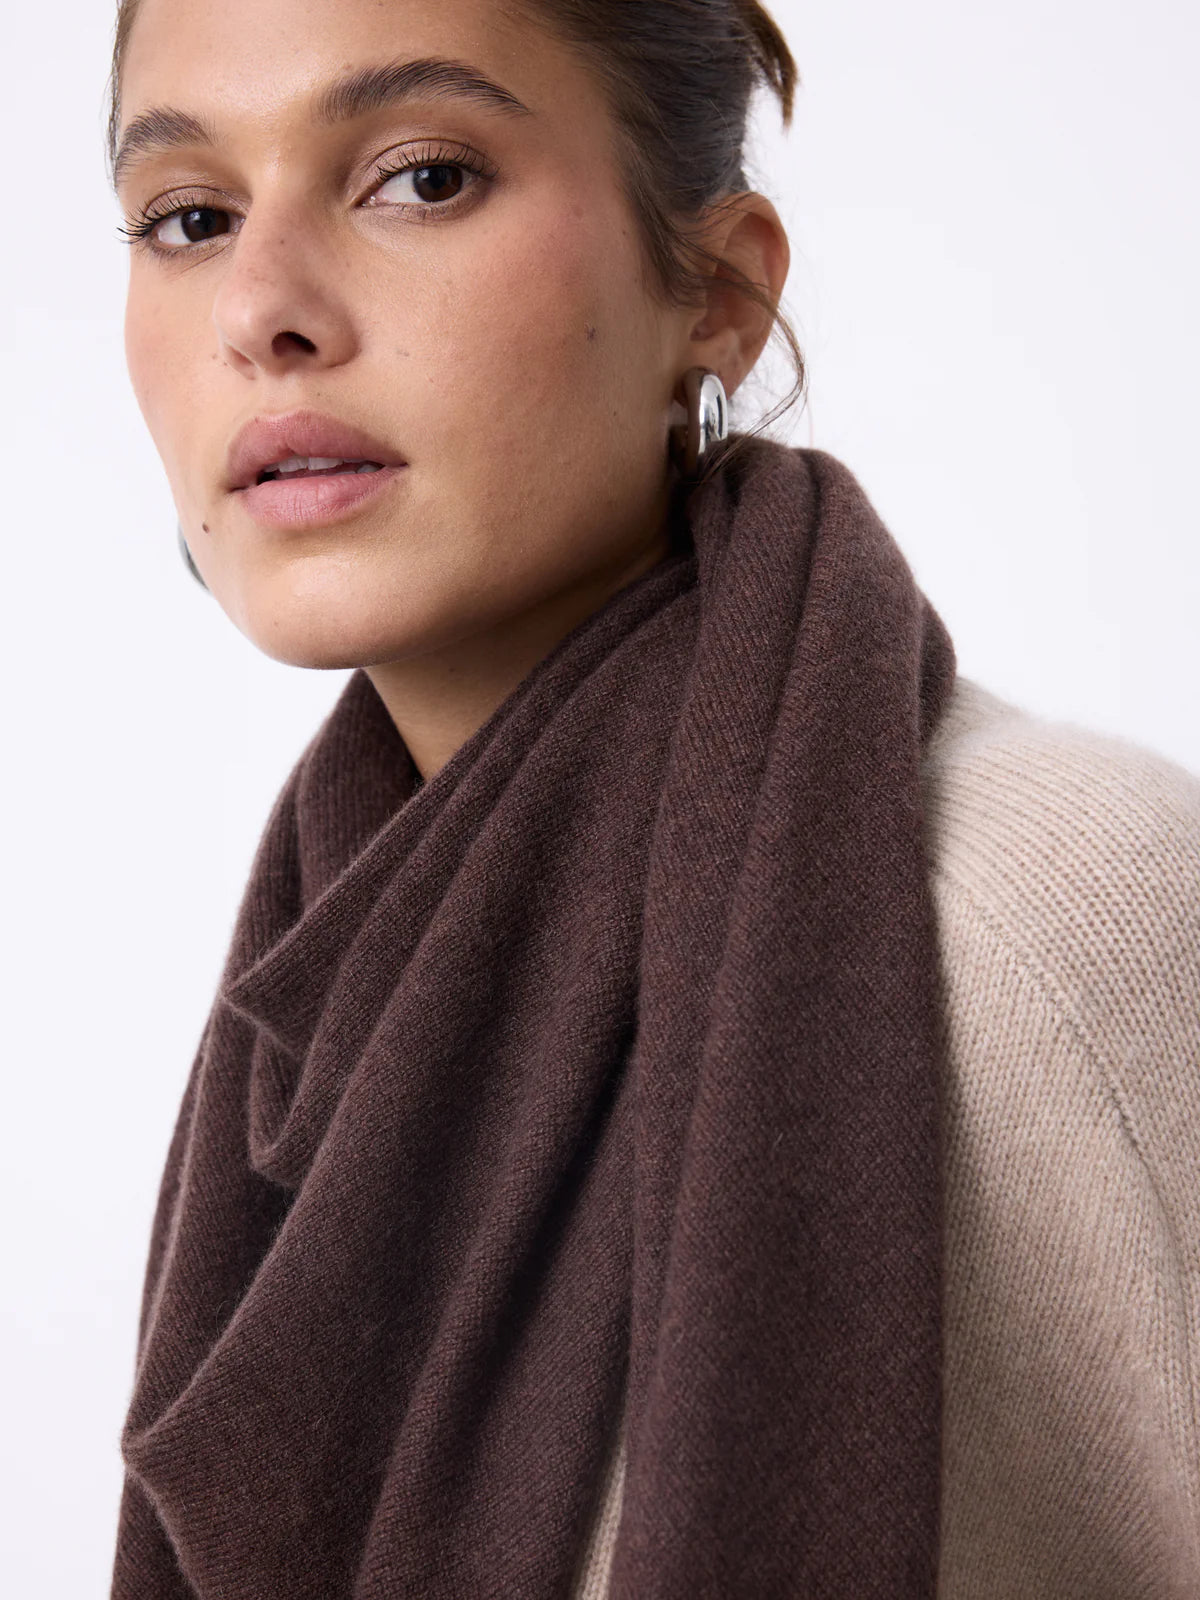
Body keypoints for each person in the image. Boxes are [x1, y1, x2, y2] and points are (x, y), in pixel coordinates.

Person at [105, 1, 1200, 1597]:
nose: (260, 310)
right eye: (189, 218)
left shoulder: (1057, 928)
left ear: (721, 290)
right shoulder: (318, 1000)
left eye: (422, 178)